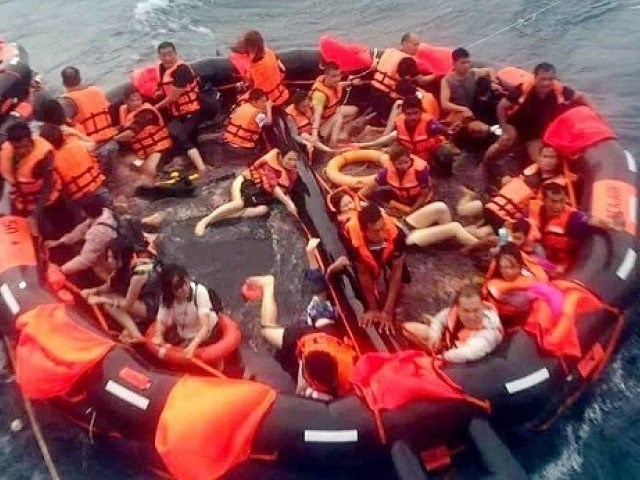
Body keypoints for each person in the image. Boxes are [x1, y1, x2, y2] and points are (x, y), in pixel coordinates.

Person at [244, 271, 355, 400]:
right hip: (304, 336)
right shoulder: (306, 361)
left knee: (321, 311)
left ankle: (316, 271)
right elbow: (300, 391)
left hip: (328, 337)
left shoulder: (347, 370)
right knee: (266, 329)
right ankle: (268, 285)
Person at [483, 62, 598, 165]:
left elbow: (581, 96)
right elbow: (501, 106)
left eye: (550, 79)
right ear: (535, 77)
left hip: (535, 133)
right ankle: (484, 164)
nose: (547, 83)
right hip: (517, 125)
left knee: (539, 160)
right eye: (543, 79)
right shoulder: (523, 89)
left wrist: (596, 112)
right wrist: (505, 128)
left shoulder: (559, 89)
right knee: (505, 141)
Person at [194, 148, 298, 235]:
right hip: (244, 181)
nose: (292, 163)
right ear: (280, 156)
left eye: (295, 160)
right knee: (239, 204)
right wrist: (288, 203)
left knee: (262, 210)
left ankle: (215, 218)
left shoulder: (291, 171)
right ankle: (205, 221)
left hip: (258, 190)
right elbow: (273, 187)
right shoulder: (269, 164)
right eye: (289, 159)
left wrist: (287, 197)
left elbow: (283, 188)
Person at [82, 232, 161, 342]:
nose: (109, 261)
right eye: (108, 256)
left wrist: (102, 299)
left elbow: (127, 305)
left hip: (155, 306)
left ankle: (136, 335)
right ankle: (131, 327)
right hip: (141, 299)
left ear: (121, 258)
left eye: (111, 257)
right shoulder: (123, 266)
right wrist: (92, 291)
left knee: (109, 305)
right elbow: (109, 286)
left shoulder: (140, 273)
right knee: (109, 297)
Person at [530, 181, 622, 276]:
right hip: (534, 258)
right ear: (544, 200)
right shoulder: (533, 208)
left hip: (560, 268)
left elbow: (590, 220)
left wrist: (611, 224)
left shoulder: (572, 217)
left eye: (561, 201)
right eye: (553, 201)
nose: (558, 206)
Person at [342, 204, 408, 332]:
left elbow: (396, 273)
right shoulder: (353, 240)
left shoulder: (396, 234)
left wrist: (387, 310)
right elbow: (363, 274)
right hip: (364, 250)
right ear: (365, 231)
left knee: (403, 278)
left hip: (390, 248)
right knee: (364, 274)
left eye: (383, 227)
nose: (383, 234)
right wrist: (373, 309)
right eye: (377, 231)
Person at [402, 284, 503, 363]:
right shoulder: (452, 312)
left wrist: (442, 357)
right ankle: (428, 351)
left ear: (483, 307)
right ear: (458, 308)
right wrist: (435, 335)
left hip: (466, 365)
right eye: (466, 311)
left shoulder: (490, 331)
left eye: (475, 310)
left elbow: (469, 353)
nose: (471, 316)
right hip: (449, 347)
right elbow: (439, 319)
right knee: (407, 328)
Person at [0, 122, 68, 237]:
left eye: (25, 147)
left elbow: (48, 188)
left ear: (30, 139)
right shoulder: (6, 151)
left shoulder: (43, 159)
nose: (21, 151)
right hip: (22, 203)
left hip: (48, 203)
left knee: (49, 233)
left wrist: (35, 216)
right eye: (17, 148)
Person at [154, 41, 206, 173]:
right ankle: (182, 160)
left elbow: (173, 97)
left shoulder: (182, 70)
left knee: (181, 136)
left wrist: (154, 108)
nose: (167, 58)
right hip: (175, 112)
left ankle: (202, 168)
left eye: (170, 54)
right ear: (159, 57)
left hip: (193, 111)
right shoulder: (161, 68)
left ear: (176, 54)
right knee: (173, 135)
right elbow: (163, 88)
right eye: (163, 55)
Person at [39, 123, 111, 216]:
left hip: (79, 200)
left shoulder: (52, 162)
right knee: (113, 217)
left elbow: (57, 187)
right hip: (99, 189)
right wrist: (74, 132)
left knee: (90, 222)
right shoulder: (77, 144)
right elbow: (93, 144)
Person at [351, 96, 448, 163]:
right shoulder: (399, 122)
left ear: (421, 111)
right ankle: (364, 145)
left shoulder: (430, 124)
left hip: (428, 155)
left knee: (445, 154)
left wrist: (451, 132)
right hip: (410, 154)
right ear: (404, 113)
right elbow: (398, 139)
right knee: (392, 140)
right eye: (409, 114)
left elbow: (447, 132)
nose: (413, 117)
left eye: (416, 113)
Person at [152, 264, 220, 358]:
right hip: (183, 332)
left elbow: (205, 326)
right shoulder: (167, 299)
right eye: (177, 287)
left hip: (206, 333)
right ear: (170, 290)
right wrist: (158, 334)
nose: (183, 288)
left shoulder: (199, 292)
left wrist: (192, 345)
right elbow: (161, 320)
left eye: (183, 282)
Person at [59, 66, 119, 172]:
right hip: (111, 142)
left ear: (63, 83)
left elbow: (61, 125)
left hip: (95, 149)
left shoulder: (68, 100)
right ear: (80, 79)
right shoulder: (96, 90)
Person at [369, 32, 436, 125]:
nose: (417, 47)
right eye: (415, 44)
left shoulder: (389, 51)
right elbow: (421, 81)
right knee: (425, 96)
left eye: (418, 44)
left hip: (373, 93)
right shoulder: (407, 60)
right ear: (405, 43)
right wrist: (435, 75)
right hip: (387, 98)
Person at [114, 85, 174, 178]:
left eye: (138, 99)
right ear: (126, 101)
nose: (137, 103)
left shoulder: (146, 113)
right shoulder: (125, 113)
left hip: (159, 148)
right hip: (143, 154)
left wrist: (113, 139)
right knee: (127, 163)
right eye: (133, 100)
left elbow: (130, 133)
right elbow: (121, 128)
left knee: (147, 171)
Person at [45, 205, 118, 278]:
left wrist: (61, 270)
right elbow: (79, 231)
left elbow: (85, 260)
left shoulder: (99, 231)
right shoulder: (103, 214)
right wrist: (59, 242)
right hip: (104, 256)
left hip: (108, 268)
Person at [440, 48, 499, 138]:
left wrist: (493, 82)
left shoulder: (473, 73)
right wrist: (463, 109)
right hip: (458, 114)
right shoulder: (447, 80)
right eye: (463, 63)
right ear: (454, 64)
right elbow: (445, 104)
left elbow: (490, 70)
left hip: (474, 110)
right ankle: (493, 131)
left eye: (468, 62)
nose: (466, 66)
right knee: (481, 129)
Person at [359, 144, 433, 213]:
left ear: (410, 159)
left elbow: (424, 195)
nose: (404, 166)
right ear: (393, 163)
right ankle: (390, 207)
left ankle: (397, 209)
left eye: (406, 162)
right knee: (375, 194)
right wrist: (357, 198)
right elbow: (370, 187)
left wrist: (411, 211)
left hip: (417, 198)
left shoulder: (420, 172)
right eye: (399, 164)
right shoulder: (386, 172)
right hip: (400, 196)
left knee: (426, 208)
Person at [310, 62, 361, 148]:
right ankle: (333, 143)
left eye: (338, 75)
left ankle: (339, 131)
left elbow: (340, 84)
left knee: (354, 110)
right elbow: (316, 116)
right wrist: (314, 135)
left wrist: (351, 83)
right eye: (333, 76)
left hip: (330, 115)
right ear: (326, 75)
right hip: (320, 127)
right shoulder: (319, 95)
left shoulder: (333, 84)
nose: (337, 79)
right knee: (338, 117)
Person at [236, 30, 289, 107]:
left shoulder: (254, 67)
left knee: (240, 102)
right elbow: (283, 69)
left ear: (250, 47)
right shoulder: (270, 53)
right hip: (281, 94)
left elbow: (249, 81)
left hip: (265, 100)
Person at [223, 88, 272, 155]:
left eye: (265, 101)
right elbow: (269, 122)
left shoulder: (242, 106)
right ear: (254, 102)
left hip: (228, 140)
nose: (265, 104)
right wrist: (269, 108)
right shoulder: (257, 114)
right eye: (262, 102)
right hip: (242, 146)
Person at [285, 90, 333, 154]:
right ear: (296, 106)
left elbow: (318, 118)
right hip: (304, 138)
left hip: (317, 131)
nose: (307, 108)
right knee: (305, 135)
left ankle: (333, 143)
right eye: (304, 107)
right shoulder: (289, 115)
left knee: (337, 117)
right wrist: (307, 142)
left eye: (308, 105)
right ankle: (329, 150)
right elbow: (294, 135)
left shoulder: (311, 105)